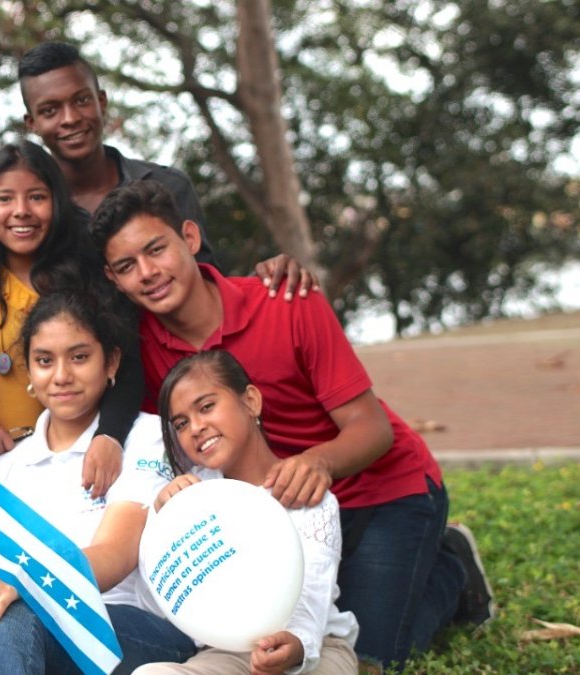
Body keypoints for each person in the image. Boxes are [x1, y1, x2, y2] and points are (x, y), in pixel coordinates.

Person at [89, 180, 495, 668]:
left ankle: (452, 568)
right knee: (279, 629)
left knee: (368, 656)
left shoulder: (285, 300)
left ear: (190, 239)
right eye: (127, 266)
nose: (148, 273)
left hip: (384, 489)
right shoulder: (142, 348)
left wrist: (316, 461)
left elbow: (374, 429)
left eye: (157, 249)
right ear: (113, 279)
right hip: (278, 507)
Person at [0, 291, 198, 674]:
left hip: (135, 627)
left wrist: (26, 581)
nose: (61, 376)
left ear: (111, 361)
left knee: (16, 613)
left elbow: (116, 554)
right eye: (44, 361)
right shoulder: (3, 471)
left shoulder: (147, 437)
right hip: (23, 634)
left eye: (79, 357)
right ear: (28, 369)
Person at [0, 140, 142, 497]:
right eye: (5, 199)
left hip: (81, 462)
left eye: (36, 197)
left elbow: (128, 366)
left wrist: (109, 435)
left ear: (57, 201)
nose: (21, 211)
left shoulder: (91, 277)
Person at [17, 41, 316, 299]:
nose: (69, 118)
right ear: (32, 124)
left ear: (102, 102)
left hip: (174, 362)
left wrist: (265, 276)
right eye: (50, 111)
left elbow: (208, 290)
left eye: (81, 101)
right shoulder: (30, 213)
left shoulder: (167, 186)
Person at [137, 350, 359, 675]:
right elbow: (164, 596)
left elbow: (312, 592)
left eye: (207, 406)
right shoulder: (191, 497)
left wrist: (295, 645)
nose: (196, 427)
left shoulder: (302, 490)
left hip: (316, 649)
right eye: (181, 423)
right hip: (228, 654)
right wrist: (164, 522)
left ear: (251, 400)